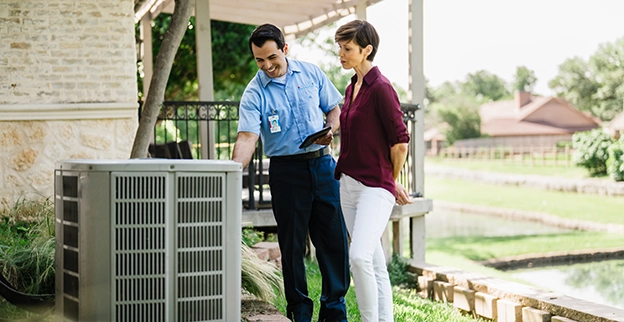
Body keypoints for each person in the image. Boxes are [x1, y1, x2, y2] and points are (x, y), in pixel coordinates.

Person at [232, 23, 350, 322]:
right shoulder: (254, 91)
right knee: (292, 246)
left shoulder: (311, 73)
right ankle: (300, 313)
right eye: (260, 60)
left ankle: (334, 312)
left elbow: (335, 110)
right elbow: (247, 137)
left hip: (323, 166)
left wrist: (331, 129)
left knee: (333, 242)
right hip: (286, 172)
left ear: (285, 49)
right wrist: (231, 172)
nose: (267, 65)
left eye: (272, 57)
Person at [333, 20, 413, 322]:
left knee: (359, 257)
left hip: (374, 188)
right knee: (375, 262)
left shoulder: (381, 88)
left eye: (347, 48)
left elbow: (400, 143)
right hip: (348, 186)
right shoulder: (352, 86)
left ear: (367, 50)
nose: (341, 53)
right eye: (339, 48)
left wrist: (390, 182)